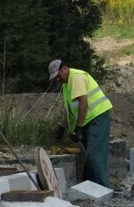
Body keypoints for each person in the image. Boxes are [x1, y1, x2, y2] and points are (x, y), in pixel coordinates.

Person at [48, 59, 113, 188]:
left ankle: (104, 189)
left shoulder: (76, 78)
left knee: (94, 157)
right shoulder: (67, 84)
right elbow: (72, 111)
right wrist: (62, 129)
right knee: (85, 157)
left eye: (58, 76)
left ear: (64, 69)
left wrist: (78, 128)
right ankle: (92, 188)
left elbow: (83, 102)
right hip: (89, 120)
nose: (57, 80)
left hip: (97, 118)